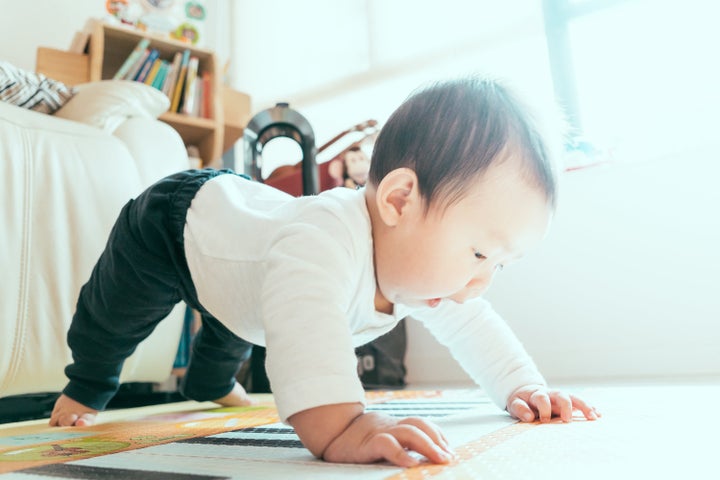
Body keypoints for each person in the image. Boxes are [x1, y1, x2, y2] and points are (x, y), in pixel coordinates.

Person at [50, 76, 600, 467]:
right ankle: (86, 385)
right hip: (174, 224)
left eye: (501, 264)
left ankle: (211, 384)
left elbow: (476, 327)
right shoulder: (324, 239)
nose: (481, 282)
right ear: (401, 200)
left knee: (234, 322)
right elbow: (306, 331)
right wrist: (341, 424)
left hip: (239, 267)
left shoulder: (420, 276)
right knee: (118, 311)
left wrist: (523, 387)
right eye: (480, 255)